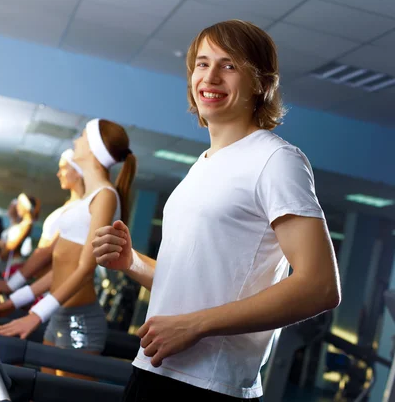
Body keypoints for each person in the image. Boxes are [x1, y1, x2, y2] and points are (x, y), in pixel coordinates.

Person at [91, 20, 341, 401]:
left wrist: (197, 326)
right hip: (155, 369)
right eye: (202, 63)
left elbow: (320, 285)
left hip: (209, 387)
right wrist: (132, 263)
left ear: (261, 82)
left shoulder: (276, 159)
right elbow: (195, 286)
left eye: (229, 65)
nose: (210, 76)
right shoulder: (205, 164)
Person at [0, 118, 137, 378]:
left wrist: (36, 314)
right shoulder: (86, 200)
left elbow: (84, 269)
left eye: (81, 136)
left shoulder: (105, 196)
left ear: (92, 147)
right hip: (59, 314)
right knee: (43, 390)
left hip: (80, 321)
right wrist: (15, 300)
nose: (75, 141)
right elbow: (60, 268)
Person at [0, 149, 85, 296]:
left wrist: (12, 285)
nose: (58, 174)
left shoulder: (78, 209)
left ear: (78, 171)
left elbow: (47, 253)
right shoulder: (69, 206)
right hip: (40, 286)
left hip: (48, 291)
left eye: (63, 168)